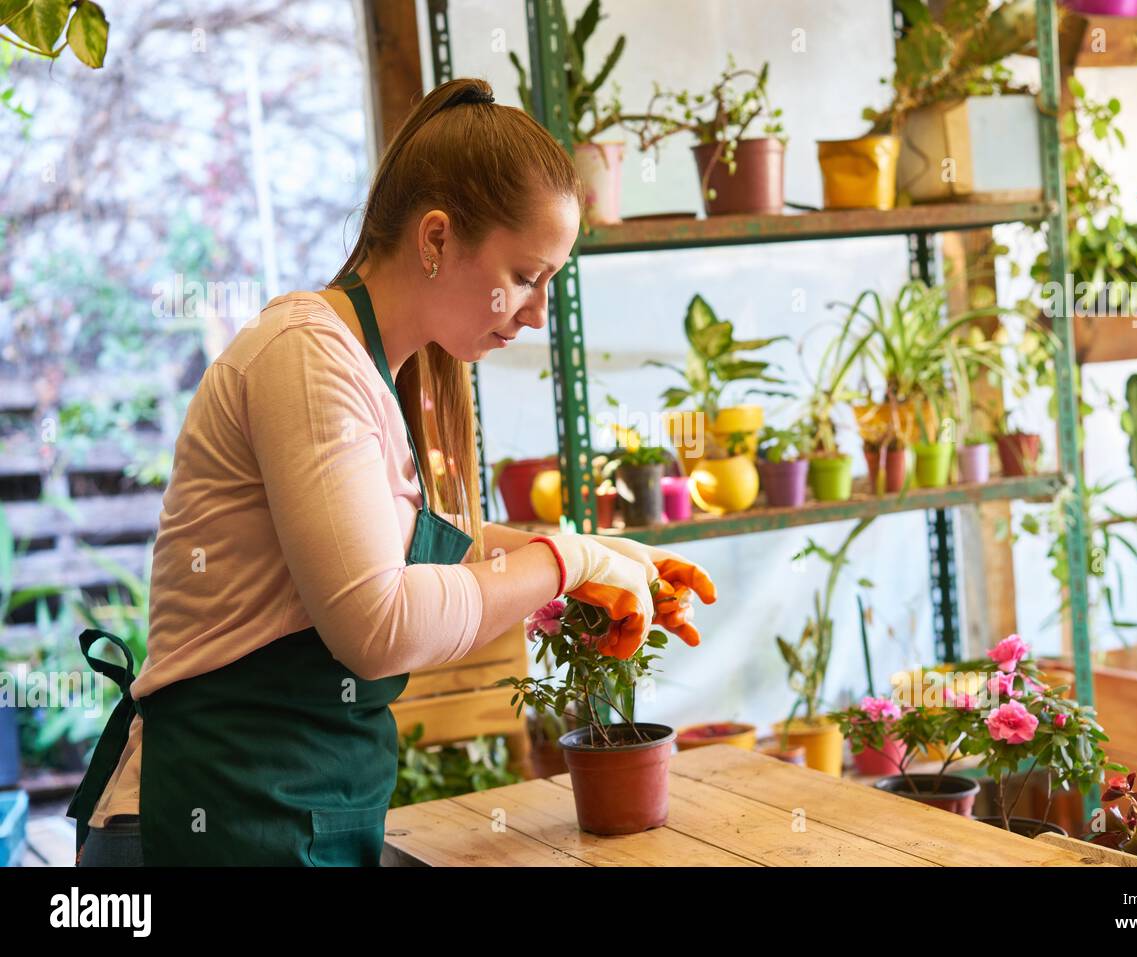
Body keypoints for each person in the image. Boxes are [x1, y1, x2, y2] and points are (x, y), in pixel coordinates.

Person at [67, 77, 715, 866]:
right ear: (436, 239)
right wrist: (566, 560)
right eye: (527, 274)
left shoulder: (370, 371)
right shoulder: (308, 360)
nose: (539, 312)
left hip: (292, 817)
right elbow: (377, 624)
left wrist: (606, 562)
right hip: (207, 822)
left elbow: (415, 550)